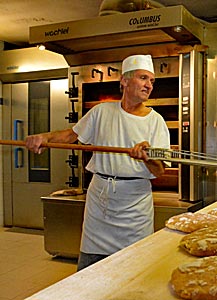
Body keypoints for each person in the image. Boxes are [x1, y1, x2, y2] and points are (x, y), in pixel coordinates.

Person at [25, 54, 170, 271]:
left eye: (152, 81)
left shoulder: (155, 121)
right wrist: (44, 137)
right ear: (124, 81)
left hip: (135, 209)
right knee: (90, 269)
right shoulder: (102, 112)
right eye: (143, 78)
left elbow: (159, 171)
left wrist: (148, 158)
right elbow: (71, 136)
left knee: (133, 271)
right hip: (100, 205)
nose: (149, 85)